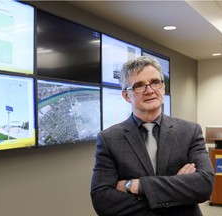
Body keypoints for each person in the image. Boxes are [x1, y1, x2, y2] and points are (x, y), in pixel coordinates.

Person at [90, 56, 214, 216]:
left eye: (155, 82)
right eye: (139, 86)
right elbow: (102, 200)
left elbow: (204, 186)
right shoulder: (109, 139)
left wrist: (137, 186)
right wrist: (177, 192)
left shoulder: (189, 131)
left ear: (163, 88)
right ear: (126, 96)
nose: (150, 90)